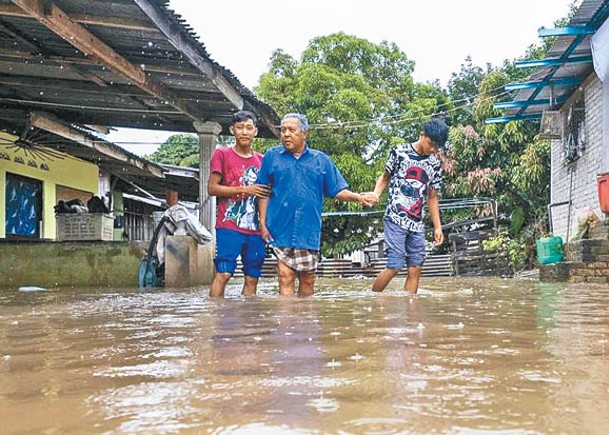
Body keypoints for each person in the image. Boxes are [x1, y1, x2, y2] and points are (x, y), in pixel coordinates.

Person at [257, 113, 374, 297]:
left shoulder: (321, 160)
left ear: (304, 133)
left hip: (307, 229)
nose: (286, 134)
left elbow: (337, 190)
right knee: (285, 276)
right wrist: (262, 223)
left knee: (307, 279)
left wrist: (358, 197)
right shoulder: (272, 157)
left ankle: (304, 321)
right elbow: (263, 191)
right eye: (283, 130)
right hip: (279, 228)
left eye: (291, 130)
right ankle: (286, 325)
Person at [369, 118, 448, 294]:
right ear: (422, 135)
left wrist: (438, 227)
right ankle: (372, 300)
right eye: (432, 144)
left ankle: (411, 313)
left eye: (437, 147)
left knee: (416, 267)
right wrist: (376, 194)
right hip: (395, 218)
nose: (434, 149)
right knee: (395, 265)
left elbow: (432, 197)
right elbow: (384, 178)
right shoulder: (400, 152)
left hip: (417, 223)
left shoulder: (434, 164)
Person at [208, 110, 271, 297]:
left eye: (248, 128)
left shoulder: (262, 161)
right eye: (240, 127)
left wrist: (263, 223)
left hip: (255, 229)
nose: (244, 132)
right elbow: (212, 188)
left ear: (255, 132)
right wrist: (245, 190)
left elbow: (264, 194)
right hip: (229, 225)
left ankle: (247, 321)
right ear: (232, 130)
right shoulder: (222, 154)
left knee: (252, 277)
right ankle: (215, 317)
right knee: (224, 273)